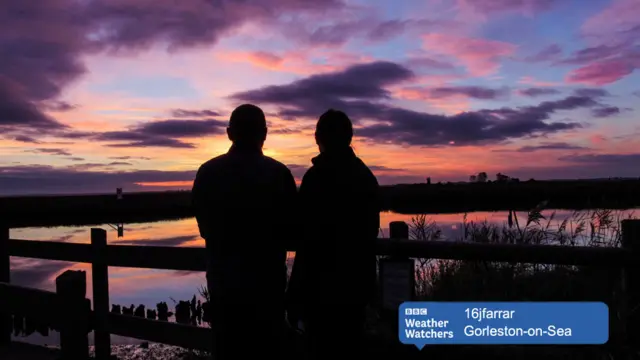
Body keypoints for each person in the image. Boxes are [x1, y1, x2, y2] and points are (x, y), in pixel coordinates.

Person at [192, 104, 297, 360]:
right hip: (268, 290)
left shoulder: (208, 173)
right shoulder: (279, 174)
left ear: (229, 133)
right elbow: (293, 233)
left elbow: (205, 229)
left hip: (224, 288)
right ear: (265, 134)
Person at [286, 109, 380, 359]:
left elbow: (304, 239)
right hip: (355, 287)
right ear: (349, 138)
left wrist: (294, 295)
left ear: (318, 138)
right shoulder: (365, 177)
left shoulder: (315, 178)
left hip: (319, 291)